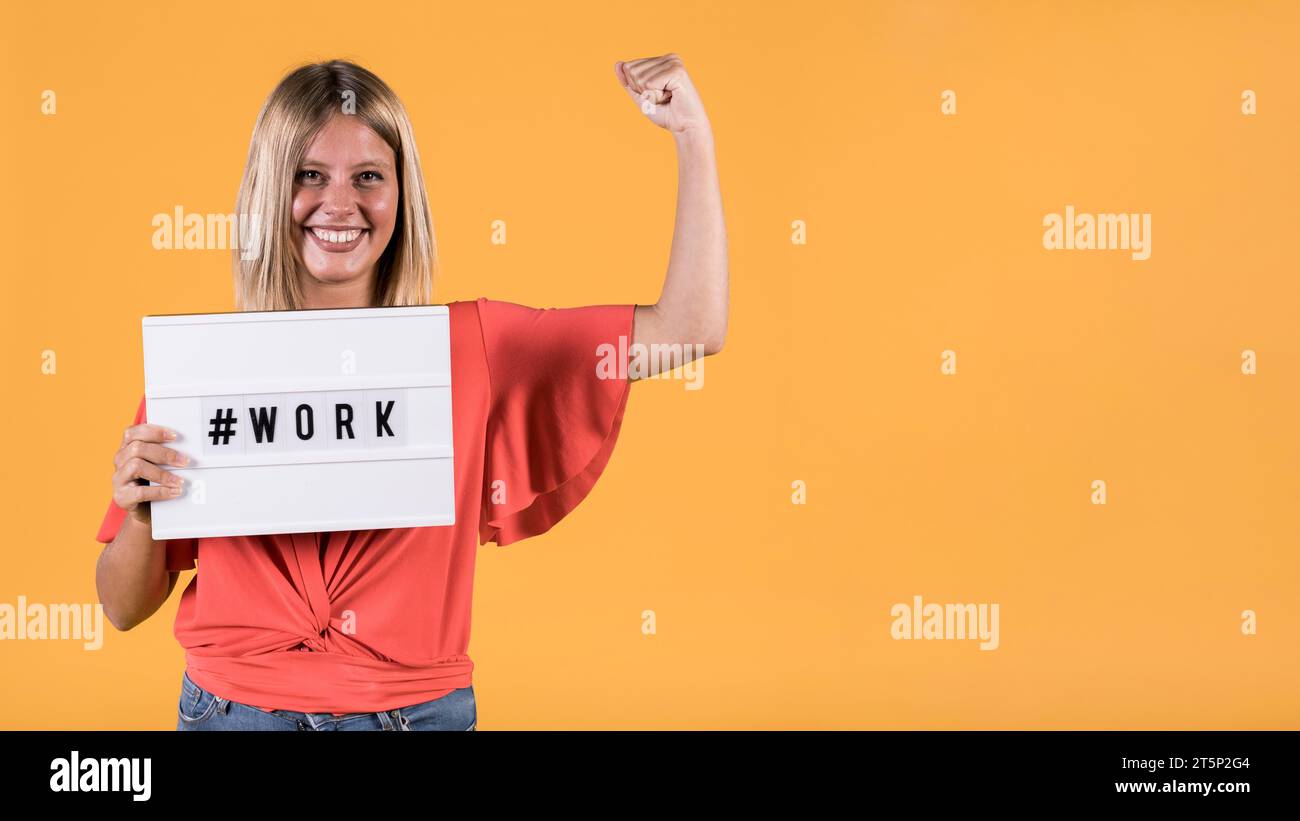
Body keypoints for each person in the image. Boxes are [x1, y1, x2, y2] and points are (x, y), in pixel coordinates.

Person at [93, 56, 727, 731]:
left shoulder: (472, 345)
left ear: (402, 195)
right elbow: (122, 607)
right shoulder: (203, 371)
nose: (340, 203)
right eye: (310, 175)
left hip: (416, 715)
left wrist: (692, 133)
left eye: (369, 176)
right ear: (269, 190)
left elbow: (690, 330)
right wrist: (140, 515)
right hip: (231, 711)